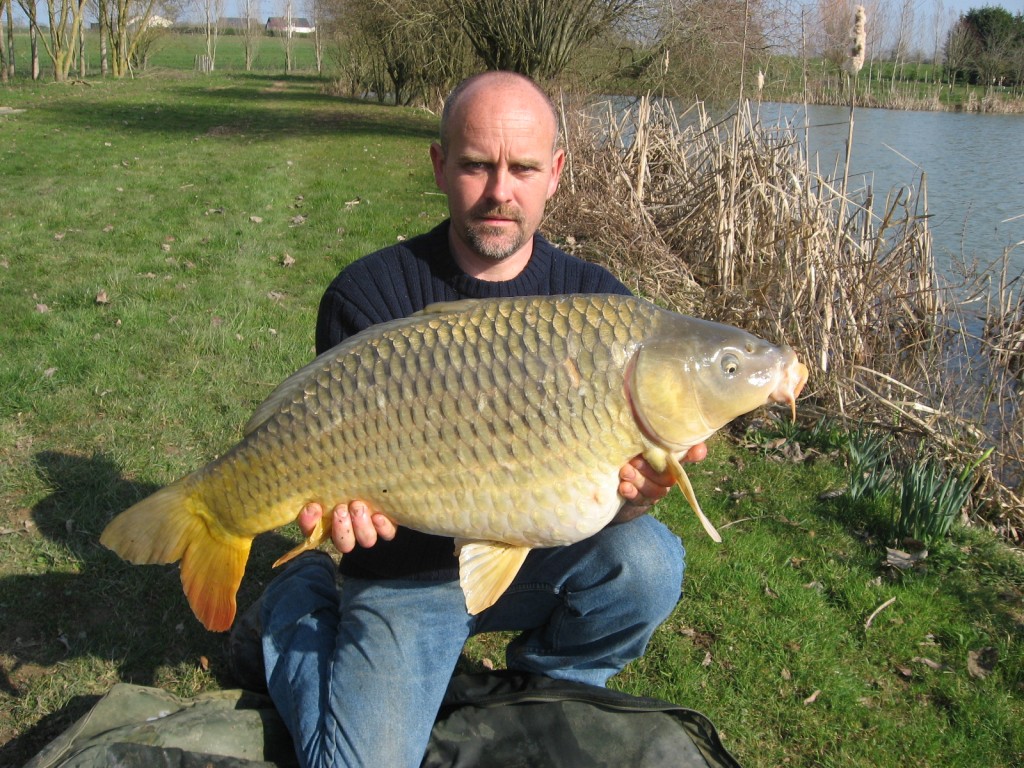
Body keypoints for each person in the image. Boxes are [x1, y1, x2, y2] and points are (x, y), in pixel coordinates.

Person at [243, 70, 706, 768]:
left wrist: (637, 498)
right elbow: (341, 474)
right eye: (476, 165)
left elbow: (608, 502)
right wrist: (343, 518)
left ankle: (547, 689)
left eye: (523, 169)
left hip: (536, 555)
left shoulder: (599, 305)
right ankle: (297, 602)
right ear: (439, 166)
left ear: (555, 173)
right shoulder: (369, 295)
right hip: (405, 572)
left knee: (648, 562)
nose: (500, 192)